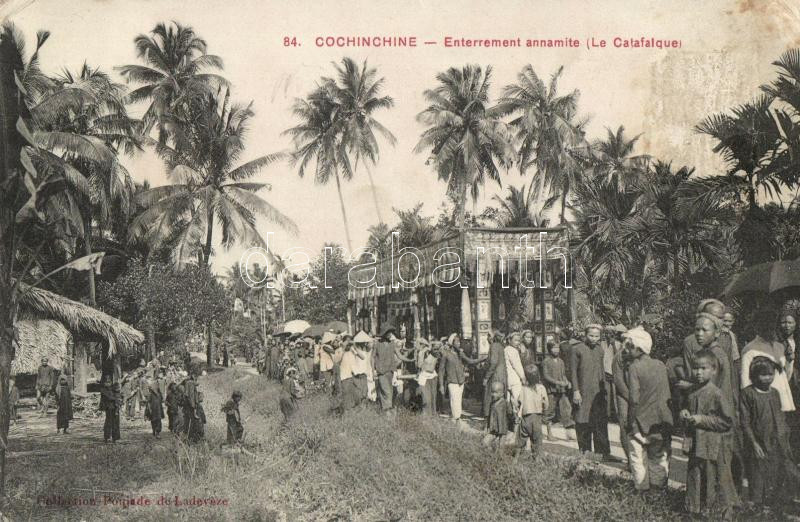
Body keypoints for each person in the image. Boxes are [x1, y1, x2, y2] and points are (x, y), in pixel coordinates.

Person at [681, 350, 739, 520]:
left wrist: (702, 420)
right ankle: (693, 509)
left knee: (711, 477)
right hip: (695, 443)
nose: (698, 372)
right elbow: (685, 407)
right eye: (695, 368)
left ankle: (712, 511)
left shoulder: (716, 393)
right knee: (694, 475)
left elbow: (727, 421)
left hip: (711, 445)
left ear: (714, 370)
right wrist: (684, 414)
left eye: (703, 368)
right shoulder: (691, 390)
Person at [740, 356, 800, 511]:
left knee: (777, 471)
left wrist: (784, 438)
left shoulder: (774, 393)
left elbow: (779, 417)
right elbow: (745, 422)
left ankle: (775, 504)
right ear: (753, 376)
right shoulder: (748, 394)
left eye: (771, 374)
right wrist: (754, 443)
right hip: (758, 441)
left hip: (775, 441)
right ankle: (757, 507)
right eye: (763, 374)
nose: (768, 378)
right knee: (757, 473)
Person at [624, 327, 673, 491]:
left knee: (638, 458)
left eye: (629, 346)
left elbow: (634, 399)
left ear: (638, 348)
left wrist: (629, 422)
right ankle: (658, 491)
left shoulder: (634, 368)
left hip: (640, 421)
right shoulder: (660, 365)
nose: (626, 350)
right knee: (658, 457)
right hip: (660, 421)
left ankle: (642, 491)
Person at [571, 324, 615, 461]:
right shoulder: (576, 349)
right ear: (585, 334)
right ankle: (585, 451)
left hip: (597, 391)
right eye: (591, 335)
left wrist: (604, 389)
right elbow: (572, 372)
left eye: (597, 336)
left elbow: (602, 370)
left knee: (600, 421)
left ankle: (603, 453)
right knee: (582, 419)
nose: (594, 339)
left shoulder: (600, 350)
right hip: (583, 391)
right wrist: (575, 391)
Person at [439, 333, 482, 422]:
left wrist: (483, 359)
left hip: (460, 381)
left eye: (459, 342)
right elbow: (441, 370)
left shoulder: (460, 354)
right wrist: (441, 385)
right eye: (457, 342)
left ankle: (457, 419)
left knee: (458, 401)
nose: (459, 344)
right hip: (452, 381)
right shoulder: (446, 354)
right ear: (452, 343)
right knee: (454, 400)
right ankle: (456, 419)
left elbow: (470, 361)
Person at [542, 340, 573, 441]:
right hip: (551, 390)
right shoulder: (546, 361)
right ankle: (549, 433)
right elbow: (546, 376)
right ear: (549, 349)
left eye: (557, 348)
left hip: (561, 390)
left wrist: (567, 381)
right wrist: (557, 382)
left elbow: (563, 374)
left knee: (566, 409)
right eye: (553, 348)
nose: (556, 350)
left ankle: (568, 433)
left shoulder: (561, 361)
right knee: (550, 411)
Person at [516, 365, 548, 458]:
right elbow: (546, 403)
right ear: (538, 376)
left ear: (526, 377)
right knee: (537, 440)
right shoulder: (541, 388)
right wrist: (544, 410)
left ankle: (516, 458)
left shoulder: (524, 389)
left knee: (521, 439)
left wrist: (517, 413)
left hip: (526, 417)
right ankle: (537, 459)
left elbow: (519, 401)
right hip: (537, 417)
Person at [482, 331, 507, 421]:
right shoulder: (500, 346)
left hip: (495, 376)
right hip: (501, 376)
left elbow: (493, 363)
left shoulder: (494, 346)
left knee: (489, 397)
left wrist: (486, 377)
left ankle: (488, 423)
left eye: (489, 336)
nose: (487, 338)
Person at [373, 326, 399, 412]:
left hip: (390, 371)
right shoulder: (377, 344)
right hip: (381, 372)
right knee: (386, 392)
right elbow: (372, 357)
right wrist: (373, 369)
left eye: (391, 332)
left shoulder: (392, 344)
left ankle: (386, 411)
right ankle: (388, 412)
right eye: (389, 332)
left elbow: (396, 356)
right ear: (384, 333)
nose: (390, 334)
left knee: (390, 393)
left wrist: (410, 359)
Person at [504, 332, 528, 412]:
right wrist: (523, 378)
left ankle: (510, 418)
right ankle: (517, 418)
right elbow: (517, 366)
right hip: (514, 378)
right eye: (515, 340)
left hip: (507, 378)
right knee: (517, 400)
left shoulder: (506, 349)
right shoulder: (513, 351)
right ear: (509, 340)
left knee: (509, 400)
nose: (517, 343)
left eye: (519, 341)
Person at [483, 381, 508, 447]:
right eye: (492, 392)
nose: (493, 394)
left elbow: (510, 414)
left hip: (502, 429)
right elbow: (489, 416)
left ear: (502, 394)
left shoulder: (504, 403)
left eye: (496, 392)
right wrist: (488, 426)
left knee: (501, 447)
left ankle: (500, 456)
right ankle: (490, 452)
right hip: (494, 428)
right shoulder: (492, 404)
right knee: (484, 442)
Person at [99, 377, 122, 443]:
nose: (108, 383)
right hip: (109, 408)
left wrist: (118, 400)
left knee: (116, 423)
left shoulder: (113, 389)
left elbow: (118, 394)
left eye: (109, 382)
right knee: (108, 422)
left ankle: (115, 437)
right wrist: (116, 398)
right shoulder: (103, 390)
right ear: (104, 383)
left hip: (115, 407)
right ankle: (107, 437)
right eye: (107, 382)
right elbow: (109, 397)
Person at [182, 368, 202, 442]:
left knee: (188, 421)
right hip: (190, 406)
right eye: (196, 377)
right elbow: (189, 395)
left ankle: (187, 437)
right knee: (191, 421)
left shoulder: (188, 382)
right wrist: (193, 406)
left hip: (188, 405)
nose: (197, 379)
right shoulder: (190, 383)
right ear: (193, 376)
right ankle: (189, 438)